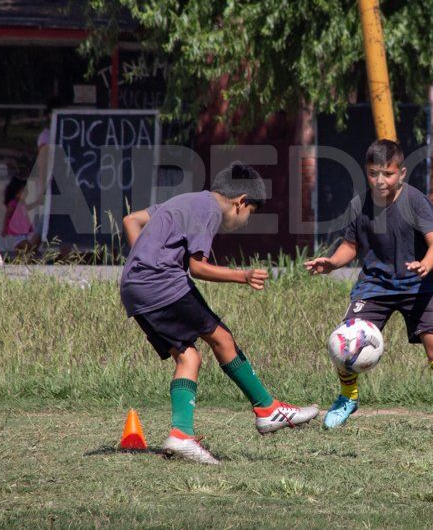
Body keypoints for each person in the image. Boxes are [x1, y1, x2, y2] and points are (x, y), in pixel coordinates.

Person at [121, 162, 318, 464]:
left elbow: (131, 219)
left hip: (135, 287)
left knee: (189, 356)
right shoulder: (209, 210)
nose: (247, 220)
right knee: (222, 338)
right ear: (241, 202)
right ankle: (267, 409)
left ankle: (181, 434)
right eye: (251, 212)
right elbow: (197, 268)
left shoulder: (184, 201)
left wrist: (144, 257)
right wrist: (244, 275)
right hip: (161, 283)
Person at [305, 139, 433, 433]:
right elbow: (350, 245)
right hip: (375, 285)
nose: (380, 180)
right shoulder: (360, 204)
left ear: (402, 173)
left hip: (417, 285)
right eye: (373, 173)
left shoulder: (415, 201)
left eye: (388, 174)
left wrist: (426, 264)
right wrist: (332, 262)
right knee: (343, 341)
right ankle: (348, 398)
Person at [1, 175, 36, 254]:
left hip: (22, 231)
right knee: (26, 246)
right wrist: (5, 229)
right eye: (24, 191)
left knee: (22, 248)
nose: (27, 193)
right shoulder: (13, 204)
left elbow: (27, 208)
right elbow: (7, 216)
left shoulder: (22, 203)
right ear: (16, 192)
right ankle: (23, 259)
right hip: (16, 231)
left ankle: (19, 261)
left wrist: (36, 203)